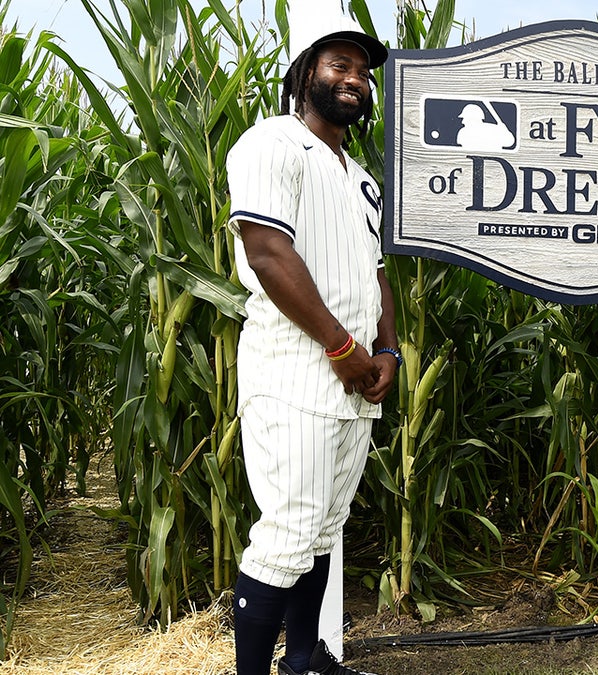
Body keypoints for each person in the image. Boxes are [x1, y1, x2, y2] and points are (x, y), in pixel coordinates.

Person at [225, 7, 396, 675]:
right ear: (305, 74)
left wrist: (386, 351)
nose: (354, 79)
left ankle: (304, 661)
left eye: (361, 71)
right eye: (339, 65)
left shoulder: (362, 181)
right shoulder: (270, 144)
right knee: (289, 533)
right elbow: (269, 254)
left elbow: (377, 275)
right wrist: (340, 347)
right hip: (296, 373)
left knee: (325, 526)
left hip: (353, 381)